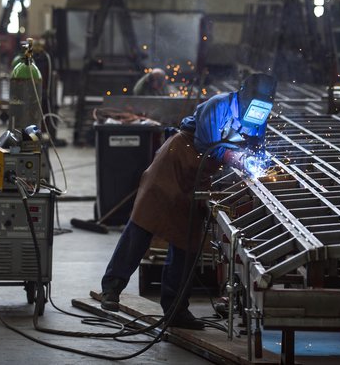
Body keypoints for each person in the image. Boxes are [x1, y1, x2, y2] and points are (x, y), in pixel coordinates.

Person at [100, 73, 277, 329]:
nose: (258, 113)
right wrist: (235, 158)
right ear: (242, 95)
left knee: (188, 238)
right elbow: (207, 143)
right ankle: (111, 289)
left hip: (201, 173)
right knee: (144, 223)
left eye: (264, 108)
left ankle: (176, 309)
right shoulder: (219, 105)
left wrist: (259, 161)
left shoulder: (259, 113)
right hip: (175, 160)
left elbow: (255, 144)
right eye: (255, 106)